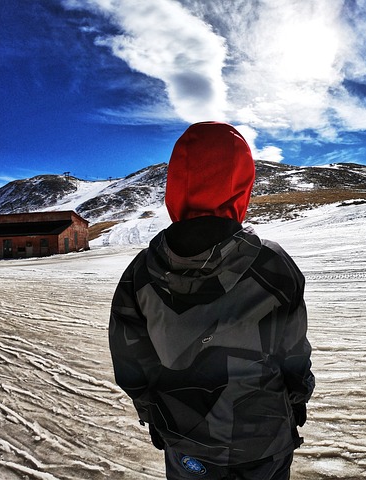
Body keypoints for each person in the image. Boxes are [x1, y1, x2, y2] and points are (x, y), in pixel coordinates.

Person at [109, 121, 315, 479]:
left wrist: (152, 414)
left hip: (185, 440)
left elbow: (130, 362)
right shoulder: (272, 264)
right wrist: (297, 401)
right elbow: (293, 352)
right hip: (263, 441)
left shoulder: (140, 272)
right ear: (240, 186)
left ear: (177, 185)